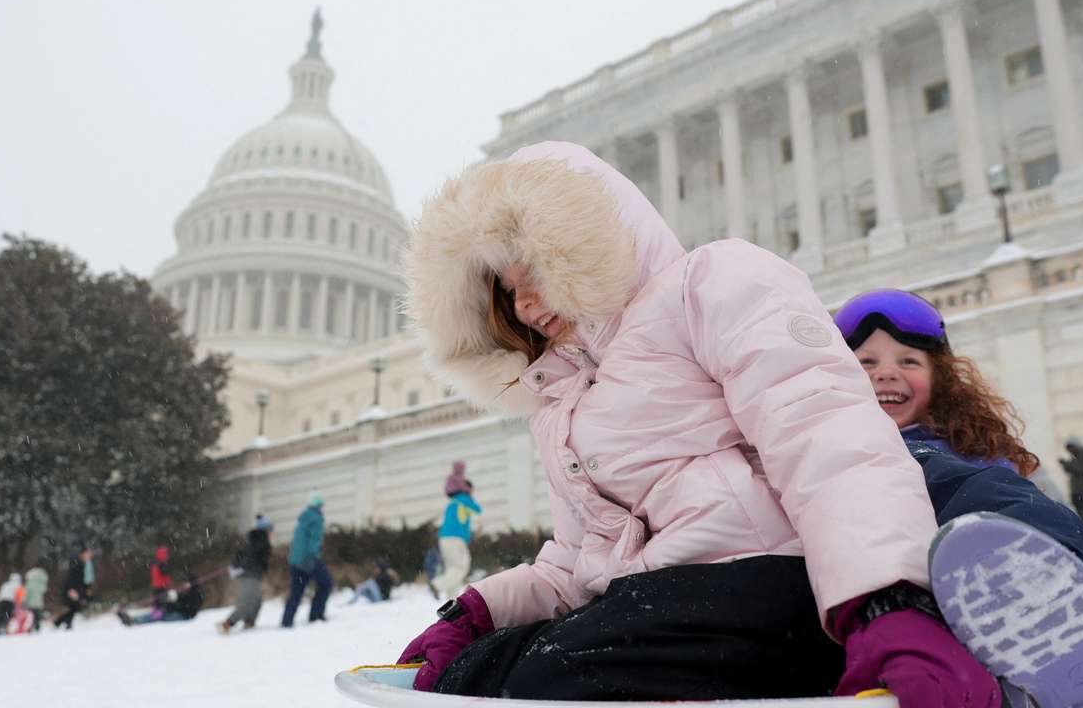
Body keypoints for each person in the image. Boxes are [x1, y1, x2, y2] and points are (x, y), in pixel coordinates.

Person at [394, 141, 995, 705]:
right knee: (487, 670)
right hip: (657, 601)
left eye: (531, 271)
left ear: (582, 240)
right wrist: (479, 611)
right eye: (505, 290)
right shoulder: (561, 405)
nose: (524, 304)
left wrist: (887, 600)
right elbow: (584, 556)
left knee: (550, 677)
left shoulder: (708, 285)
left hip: (768, 582)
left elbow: (825, 435)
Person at [835, 290, 1083, 646]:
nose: (887, 373)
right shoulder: (833, 449)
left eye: (908, 361)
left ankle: (1077, 608)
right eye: (866, 363)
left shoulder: (977, 451)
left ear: (940, 379)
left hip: (978, 589)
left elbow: (1040, 507)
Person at [430, 462, 482, 600]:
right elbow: (478, 510)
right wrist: (469, 496)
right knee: (462, 566)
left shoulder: (452, 502)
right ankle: (437, 585)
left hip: (445, 538)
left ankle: (451, 602)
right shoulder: (464, 499)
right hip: (456, 538)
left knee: (452, 569)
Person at [281, 494, 332, 628]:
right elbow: (314, 541)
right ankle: (316, 615)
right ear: (319, 506)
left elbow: (297, 542)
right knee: (326, 584)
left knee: (296, 591)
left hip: (295, 561)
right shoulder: (316, 519)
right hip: (309, 559)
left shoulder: (303, 519)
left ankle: (287, 621)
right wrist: (313, 556)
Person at [221, 515, 273, 633]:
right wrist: (241, 567)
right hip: (250, 574)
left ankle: (249, 622)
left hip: (252, 574)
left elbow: (243, 554)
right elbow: (249, 557)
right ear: (266, 530)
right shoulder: (261, 541)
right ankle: (228, 623)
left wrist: (237, 566)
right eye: (270, 530)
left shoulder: (255, 541)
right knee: (249, 601)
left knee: (257, 600)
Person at [119, 579, 203, 626]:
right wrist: (169, 604)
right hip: (176, 612)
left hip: (184, 616)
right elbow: (178, 602)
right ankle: (133, 619)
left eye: (186, 583)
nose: (184, 585)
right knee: (158, 613)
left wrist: (175, 606)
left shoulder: (195, 595)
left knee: (160, 616)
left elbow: (190, 608)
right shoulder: (185, 593)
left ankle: (135, 621)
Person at [53, 545, 94, 630]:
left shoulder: (86, 563)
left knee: (74, 607)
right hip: (72, 589)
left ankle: (62, 623)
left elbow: (87, 579)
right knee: (74, 606)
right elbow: (72, 577)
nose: (90, 555)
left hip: (79, 589)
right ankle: (60, 622)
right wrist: (72, 589)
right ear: (83, 554)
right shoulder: (77, 563)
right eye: (88, 553)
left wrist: (87, 588)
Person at [1060, 437, 1083, 514]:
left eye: (1071, 448)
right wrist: (1065, 465)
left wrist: (1067, 464)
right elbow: (1069, 470)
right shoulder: (1075, 457)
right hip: (1075, 489)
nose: (1070, 451)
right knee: (1079, 510)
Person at [23, 563, 49, 632]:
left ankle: (29, 628)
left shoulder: (30, 584)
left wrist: (24, 601)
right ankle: (37, 628)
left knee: (30, 617)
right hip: (39, 603)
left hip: (30, 603)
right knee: (37, 617)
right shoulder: (42, 584)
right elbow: (43, 592)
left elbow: (26, 594)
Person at [150, 545, 173, 612]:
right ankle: (158, 617)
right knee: (162, 605)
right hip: (162, 587)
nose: (168, 556)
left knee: (158, 604)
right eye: (167, 554)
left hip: (156, 587)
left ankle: (155, 617)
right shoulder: (162, 564)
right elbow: (165, 572)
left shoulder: (155, 563)